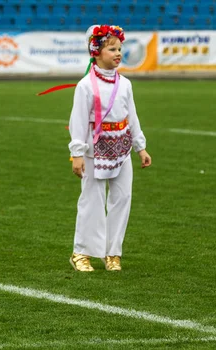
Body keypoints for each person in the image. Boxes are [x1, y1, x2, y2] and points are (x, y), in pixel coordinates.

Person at [68, 25, 152, 272]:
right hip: (95, 151)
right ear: (96, 51)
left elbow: (132, 116)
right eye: (112, 49)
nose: (118, 53)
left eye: (119, 49)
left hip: (122, 149)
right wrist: (77, 153)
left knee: (122, 199)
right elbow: (79, 121)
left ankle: (112, 252)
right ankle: (81, 252)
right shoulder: (85, 86)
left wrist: (140, 147)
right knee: (91, 200)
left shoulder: (125, 83)